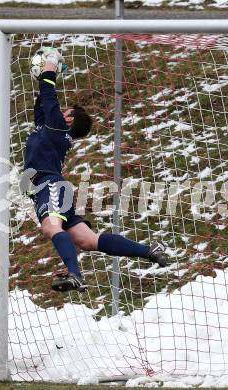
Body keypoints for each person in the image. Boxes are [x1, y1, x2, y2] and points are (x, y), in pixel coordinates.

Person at [24, 47, 168, 293]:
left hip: (50, 185)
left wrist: (51, 60)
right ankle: (149, 250)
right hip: (50, 188)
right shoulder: (51, 128)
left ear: (67, 120)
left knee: (51, 228)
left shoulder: (58, 127)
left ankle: (75, 274)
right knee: (87, 240)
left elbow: (48, 90)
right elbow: (42, 98)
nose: (60, 111)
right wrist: (45, 73)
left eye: (65, 111)